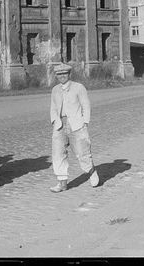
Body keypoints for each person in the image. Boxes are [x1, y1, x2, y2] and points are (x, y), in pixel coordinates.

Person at [49, 63, 100, 193]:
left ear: (69, 74)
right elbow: (53, 108)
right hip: (60, 125)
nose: (62, 77)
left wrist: (85, 122)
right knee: (58, 153)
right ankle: (62, 183)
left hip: (76, 124)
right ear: (56, 76)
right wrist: (55, 121)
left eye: (64, 74)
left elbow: (86, 105)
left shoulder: (78, 87)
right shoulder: (55, 90)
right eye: (59, 74)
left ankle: (91, 172)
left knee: (82, 151)